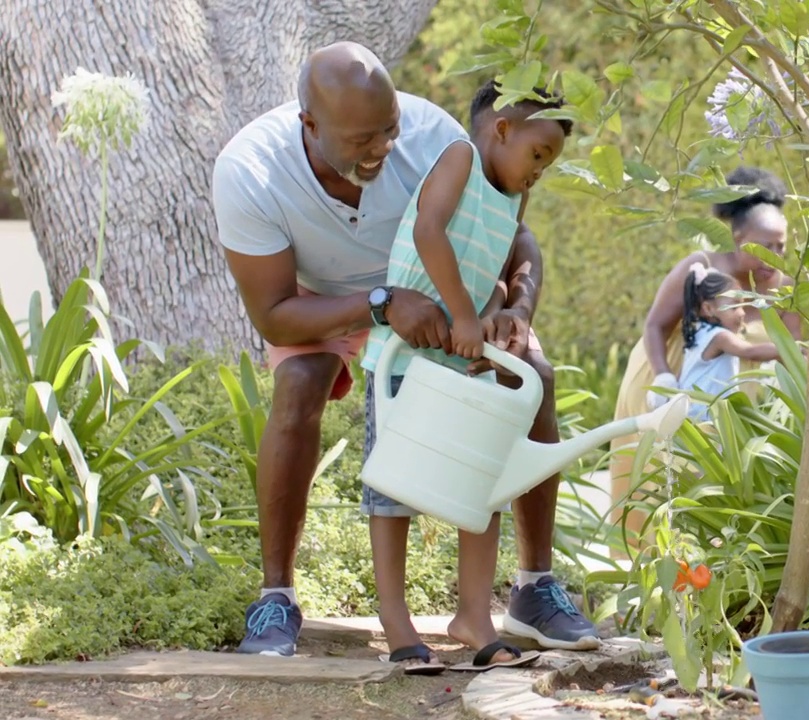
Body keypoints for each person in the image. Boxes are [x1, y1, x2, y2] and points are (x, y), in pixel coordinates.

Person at [211, 41, 600, 659]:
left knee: (532, 376)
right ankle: (276, 597)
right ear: (309, 125)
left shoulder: (431, 137)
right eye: (362, 140)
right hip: (326, 303)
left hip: (438, 303)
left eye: (388, 130)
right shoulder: (251, 172)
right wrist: (380, 302)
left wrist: (513, 312)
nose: (383, 149)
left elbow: (507, 232)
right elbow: (275, 316)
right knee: (301, 383)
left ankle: (531, 587)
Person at [355, 78, 572, 673]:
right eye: (537, 154)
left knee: (481, 487)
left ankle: (473, 616)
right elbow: (429, 232)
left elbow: (495, 261)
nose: (539, 171)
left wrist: (501, 310)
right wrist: (465, 314)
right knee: (393, 490)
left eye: (549, 163)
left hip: (462, 357)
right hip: (406, 357)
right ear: (502, 129)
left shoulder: (513, 199)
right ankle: (395, 620)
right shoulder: (458, 157)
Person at [607, 166, 803, 541]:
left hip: (740, 414)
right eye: (764, 247)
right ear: (736, 237)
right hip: (676, 390)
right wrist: (664, 381)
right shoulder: (704, 271)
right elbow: (654, 326)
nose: (774, 257)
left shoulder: (788, 289)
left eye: (781, 245)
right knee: (659, 491)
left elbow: (794, 351)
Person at [675, 263, 780, 423]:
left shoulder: (698, 334)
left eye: (742, 305)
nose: (742, 313)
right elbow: (750, 352)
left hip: (689, 418)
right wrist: (788, 350)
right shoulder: (720, 337)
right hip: (706, 420)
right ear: (708, 309)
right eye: (734, 306)